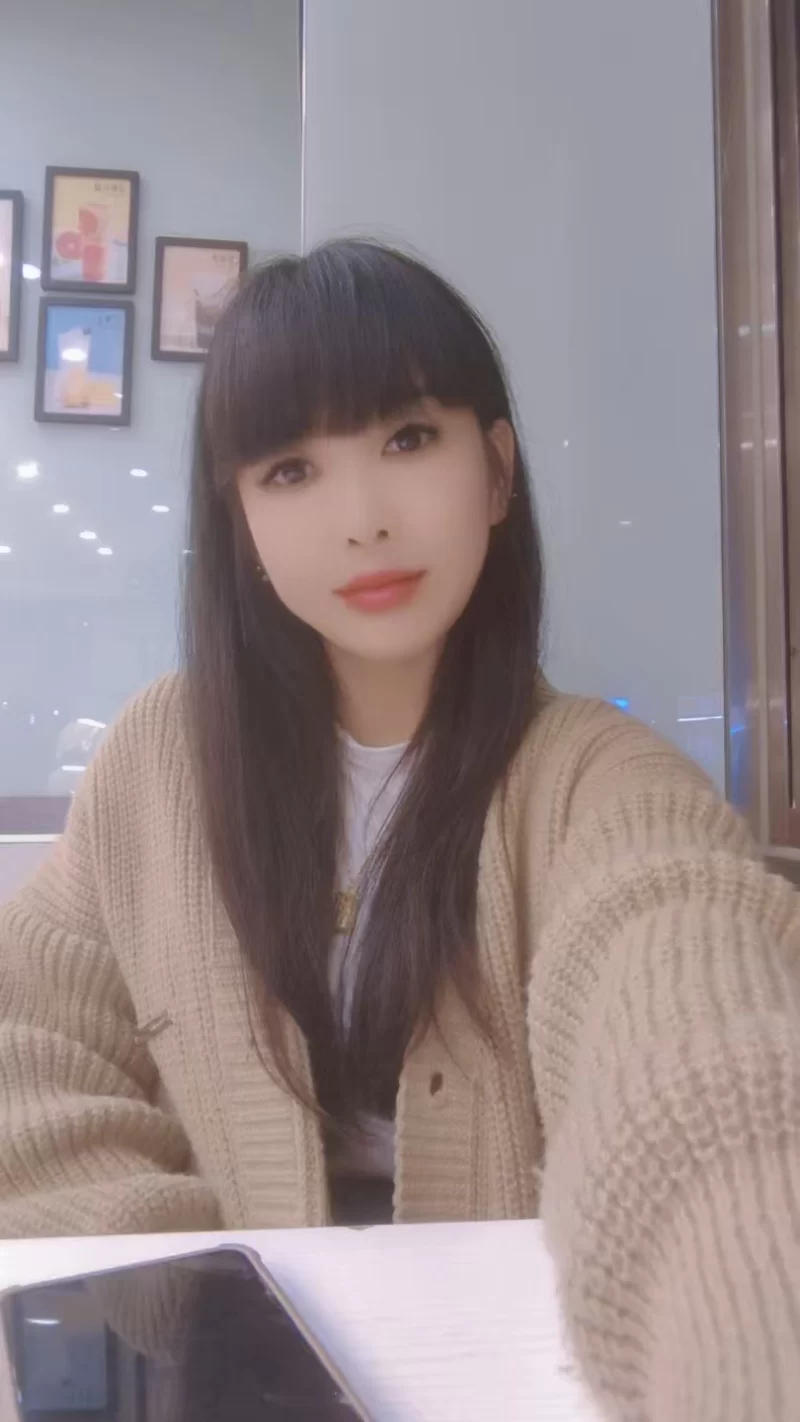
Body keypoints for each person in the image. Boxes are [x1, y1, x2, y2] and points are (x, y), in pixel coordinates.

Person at [0, 239, 798, 1420]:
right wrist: (181, 1296)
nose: (363, 520)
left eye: (409, 439)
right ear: (238, 520)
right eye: (289, 470)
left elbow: (698, 1056)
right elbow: (30, 1040)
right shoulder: (158, 760)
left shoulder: (595, 779)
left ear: (496, 471)